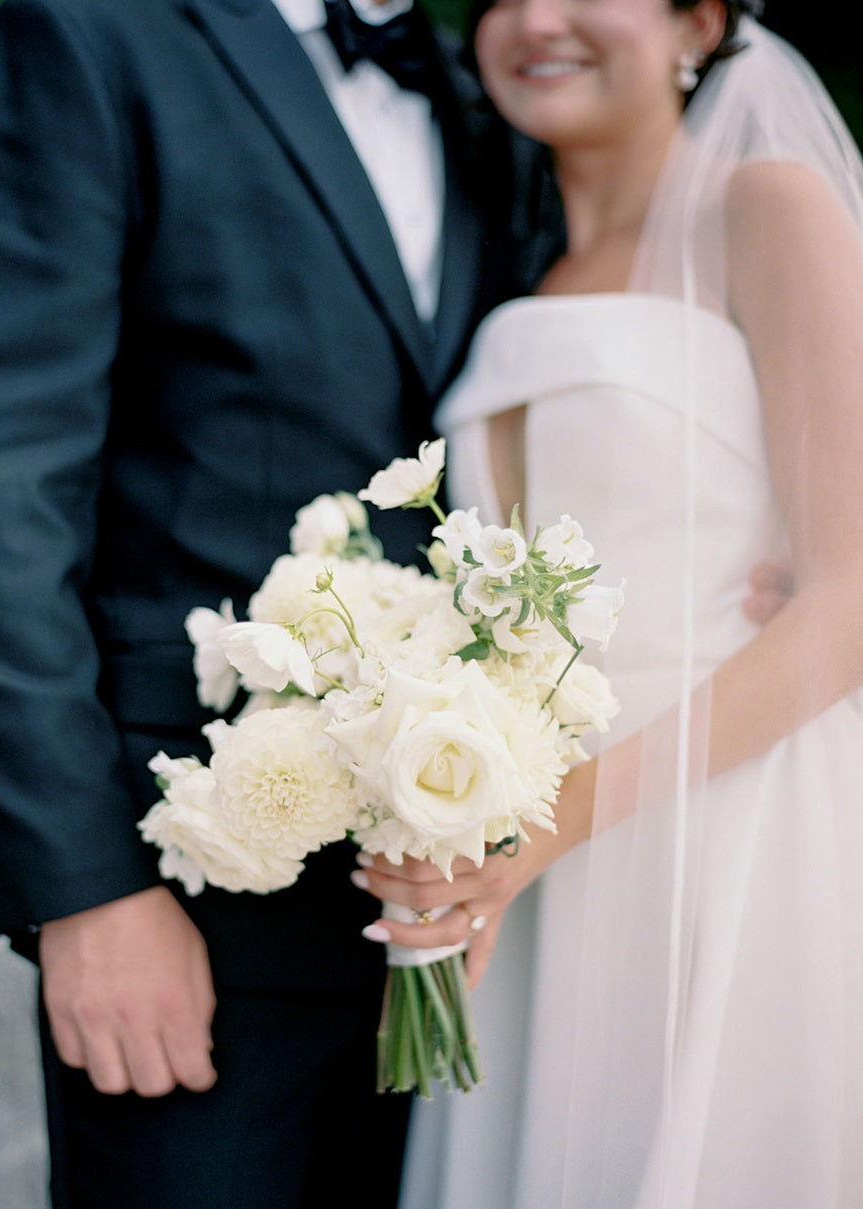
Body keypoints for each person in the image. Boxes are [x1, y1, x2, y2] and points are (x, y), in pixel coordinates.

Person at [0, 0, 551, 1205]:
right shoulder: (83, 36)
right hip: (187, 893)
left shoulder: (486, 88)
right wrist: (86, 892)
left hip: (459, 907)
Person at [353, 2, 863, 1206]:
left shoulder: (769, 203)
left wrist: (548, 827)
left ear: (697, 18)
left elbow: (848, 598)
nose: (537, 19)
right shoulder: (517, 263)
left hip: (727, 813)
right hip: (533, 858)